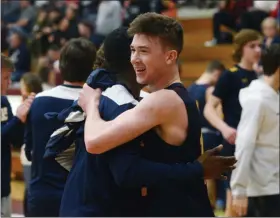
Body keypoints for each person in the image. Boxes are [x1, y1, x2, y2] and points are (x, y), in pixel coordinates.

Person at [79, 13, 236, 216]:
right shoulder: (172, 96)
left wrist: (91, 104)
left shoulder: (163, 101)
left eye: (143, 51)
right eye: (132, 50)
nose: (134, 59)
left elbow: (94, 142)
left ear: (170, 56)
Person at [24, 38, 96, 217]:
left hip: (42, 197)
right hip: (80, 199)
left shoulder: (39, 101)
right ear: (94, 68)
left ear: (60, 66)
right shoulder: (98, 104)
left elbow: (28, 151)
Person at [204, 29, 261, 216]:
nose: (258, 50)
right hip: (236, 145)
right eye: (252, 46)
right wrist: (224, 128)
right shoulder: (230, 75)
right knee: (235, 205)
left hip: (258, 146)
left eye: (259, 45)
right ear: (241, 48)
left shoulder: (262, 77)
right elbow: (209, 108)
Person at [231, 44, 280, 217]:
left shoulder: (274, 96)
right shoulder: (257, 99)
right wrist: (239, 190)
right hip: (261, 191)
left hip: (275, 186)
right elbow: (244, 145)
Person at [188, 60, 225, 208]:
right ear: (217, 73)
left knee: (203, 173)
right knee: (216, 173)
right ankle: (218, 203)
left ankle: (207, 204)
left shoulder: (188, 89)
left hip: (195, 136)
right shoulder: (210, 90)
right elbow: (219, 115)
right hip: (211, 135)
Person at [1, 54, 34, 217]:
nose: (9, 82)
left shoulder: (3, 102)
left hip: (4, 183)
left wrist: (25, 119)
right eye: (5, 77)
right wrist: (17, 119)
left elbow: (13, 139)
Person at [19, 73, 43, 217]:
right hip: (28, 157)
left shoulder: (34, 109)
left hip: (32, 157)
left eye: (24, 94)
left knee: (30, 194)